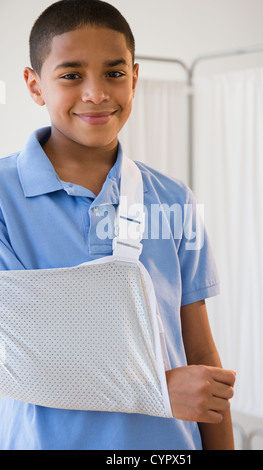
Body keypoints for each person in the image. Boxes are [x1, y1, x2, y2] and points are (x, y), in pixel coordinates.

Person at [0, 0, 236, 450]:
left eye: (114, 72)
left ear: (135, 77)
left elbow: (199, 354)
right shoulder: (4, 198)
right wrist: (155, 390)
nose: (96, 93)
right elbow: (12, 361)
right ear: (34, 85)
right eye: (71, 75)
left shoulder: (172, 199)